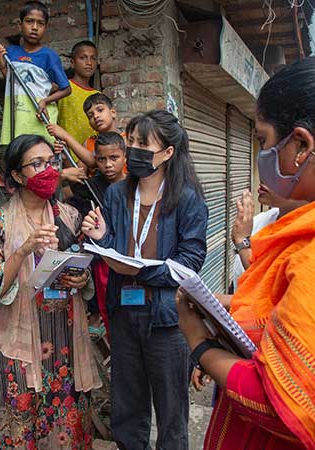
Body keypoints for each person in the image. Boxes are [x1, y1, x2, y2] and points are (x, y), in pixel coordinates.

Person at [176, 55, 315, 449]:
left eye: (262, 140)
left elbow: (284, 404)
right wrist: (224, 306)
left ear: (301, 145)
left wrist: (200, 345)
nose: (261, 154)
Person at [82, 110, 208, 449]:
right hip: (123, 314)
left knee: (171, 411)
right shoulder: (116, 195)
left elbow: (191, 262)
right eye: (132, 141)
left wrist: (142, 271)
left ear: (167, 153)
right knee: (127, 405)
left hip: (167, 319)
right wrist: (99, 237)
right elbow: (110, 250)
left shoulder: (187, 198)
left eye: (143, 144)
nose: (134, 148)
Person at [0, 134, 101, 448]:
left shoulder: (68, 215)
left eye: (52, 162)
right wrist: (22, 251)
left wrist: (80, 280)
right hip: (24, 348)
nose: (48, 169)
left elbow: (81, 269)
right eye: (37, 164)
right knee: (21, 430)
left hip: (66, 344)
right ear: (18, 175)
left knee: (66, 430)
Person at [0, 1, 71, 145]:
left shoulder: (49, 56)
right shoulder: (10, 53)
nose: (34, 27)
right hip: (16, 120)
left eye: (40, 24)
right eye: (29, 22)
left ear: (46, 28)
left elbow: (66, 89)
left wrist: (45, 101)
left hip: (39, 121)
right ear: (20, 25)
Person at [68, 131, 127, 339]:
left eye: (114, 158)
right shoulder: (90, 187)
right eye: (101, 159)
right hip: (102, 260)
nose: (108, 164)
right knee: (107, 308)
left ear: (125, 157)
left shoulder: (136, 186)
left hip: (129, 258)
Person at [231, 185, 306, 290]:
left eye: (280, 170)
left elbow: (280, 293)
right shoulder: (256, 222)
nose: (264, 177)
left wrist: (243, 243)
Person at [48, 92, 121, 172]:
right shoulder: (89, 143)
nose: (96, 116)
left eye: (100, 110)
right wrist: (66, 157)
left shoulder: (125, 139)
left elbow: (93, 162)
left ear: (113, 112)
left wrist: (65, 136)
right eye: (90, 116)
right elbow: (79, 177)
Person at [57, 40, 100, 162]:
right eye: (83, 58)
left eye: (93, 58)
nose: (89, 63)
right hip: (67, 156)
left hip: (92, 158)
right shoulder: (63, 89)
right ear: (72, 62)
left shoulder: (98, 95)